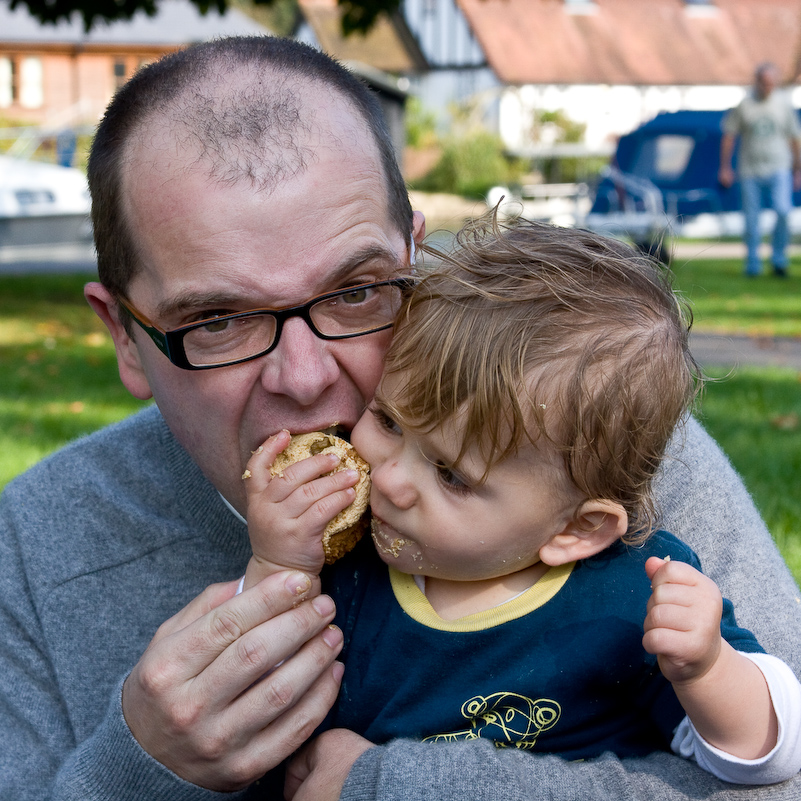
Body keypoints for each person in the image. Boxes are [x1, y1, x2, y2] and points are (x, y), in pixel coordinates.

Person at [0, 34, 799, 801]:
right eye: (218, 319)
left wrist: (387, 785)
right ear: (126, 337)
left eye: (355, 291)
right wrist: (141, 767)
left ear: (414, 259)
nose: (306, 379)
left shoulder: (583, 440)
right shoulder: (35, 546)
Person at [242, 215, 801, 789]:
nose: (390, 481)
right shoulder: (352, 570)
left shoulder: (629, 596)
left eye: (451, 476)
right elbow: (255, 701)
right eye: (387, 420)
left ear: (577, 531)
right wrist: (279, 566)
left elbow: (767, 755)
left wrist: (706, 666)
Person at [719, 61, 801, 277]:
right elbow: (729, 136)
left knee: (783, 211)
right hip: (749, 169)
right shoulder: (745, 105)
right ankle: (753, 263)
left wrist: (797, 168)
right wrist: (725, 167)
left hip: (779, 166)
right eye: (764, 83)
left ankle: (779, 259)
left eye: (771, 83)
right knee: (751, 218)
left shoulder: (783, 105)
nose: (767, 87)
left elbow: (794, 138)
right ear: (757, 82)